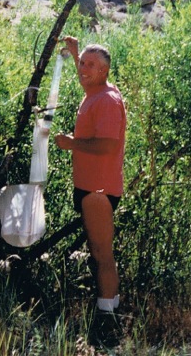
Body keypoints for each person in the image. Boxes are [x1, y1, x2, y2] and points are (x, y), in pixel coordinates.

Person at [54, 36, 126, 325]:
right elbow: (87, 79)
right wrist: (76, 54)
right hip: (89, 186)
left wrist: (72, 144)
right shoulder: (95, 90)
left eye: (90, 65)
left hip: (99, 189)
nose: (83, 69)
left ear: (104, 71)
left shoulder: (107, 100)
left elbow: (108, 145)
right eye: (82, 63)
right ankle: (107, 307)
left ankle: (108, 318)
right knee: (97, 252)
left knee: (101, 252)